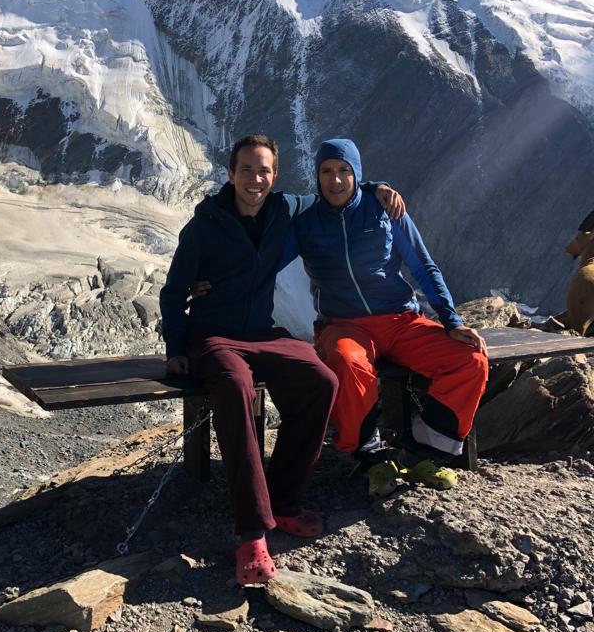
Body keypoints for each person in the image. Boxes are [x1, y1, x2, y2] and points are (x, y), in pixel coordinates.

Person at [160, 133, 404, 585]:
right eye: (247, 170)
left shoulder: (284, 209)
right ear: (230, 173)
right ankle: (251, 532)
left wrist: (374, 188)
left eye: (265, 170)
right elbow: (173, 292)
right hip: (214, 335)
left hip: (263, 332)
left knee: (320, 381)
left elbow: (336, 187)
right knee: (236, 390)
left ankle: (285, 500)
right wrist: (176, 350)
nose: (256, 179)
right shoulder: (202, 228)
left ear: (275, 175)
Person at [291, 138, 488, 497]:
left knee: (469, 359)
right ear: (316, 177)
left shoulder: (384, 209)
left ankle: (426, 454)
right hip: (343, 324)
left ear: (357, 173)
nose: (336, 181)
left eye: (344, 171)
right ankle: (371, 458)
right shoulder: (305, 220)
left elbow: (422, 265)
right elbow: (264, 257)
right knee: (347, 363)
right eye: (327, 172)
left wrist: (452, 321)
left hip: (400, 320)